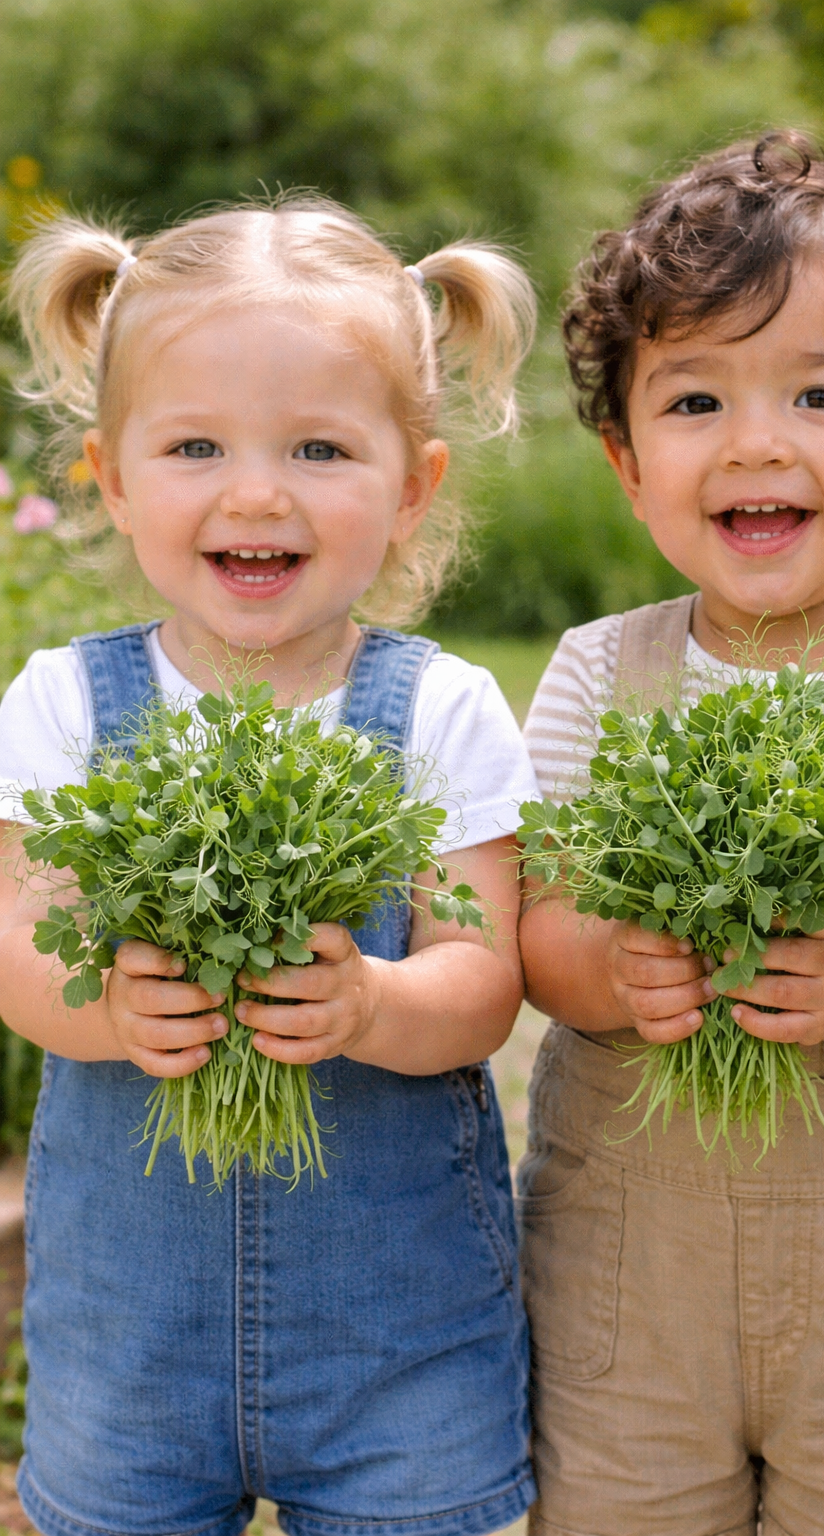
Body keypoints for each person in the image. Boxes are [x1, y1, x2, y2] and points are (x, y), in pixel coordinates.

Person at [0, 197, 539, 1536]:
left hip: (400, 1359)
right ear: (111, 481)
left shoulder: (442, 710)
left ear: (414, 485)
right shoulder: (63, 704)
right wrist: (112, 1006)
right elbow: (22, 959)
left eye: (319, 447)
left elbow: (483, 976)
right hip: (129, 1357)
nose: (255, 492)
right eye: (194, 447)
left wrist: (375, 1006)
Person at [519, 131, 824, 1536]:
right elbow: (538, 934)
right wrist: (611, 967)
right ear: (626, 462)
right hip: (629, 1282)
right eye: (693, 401)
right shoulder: (595, 671)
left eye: (820, 392)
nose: (755, 441)